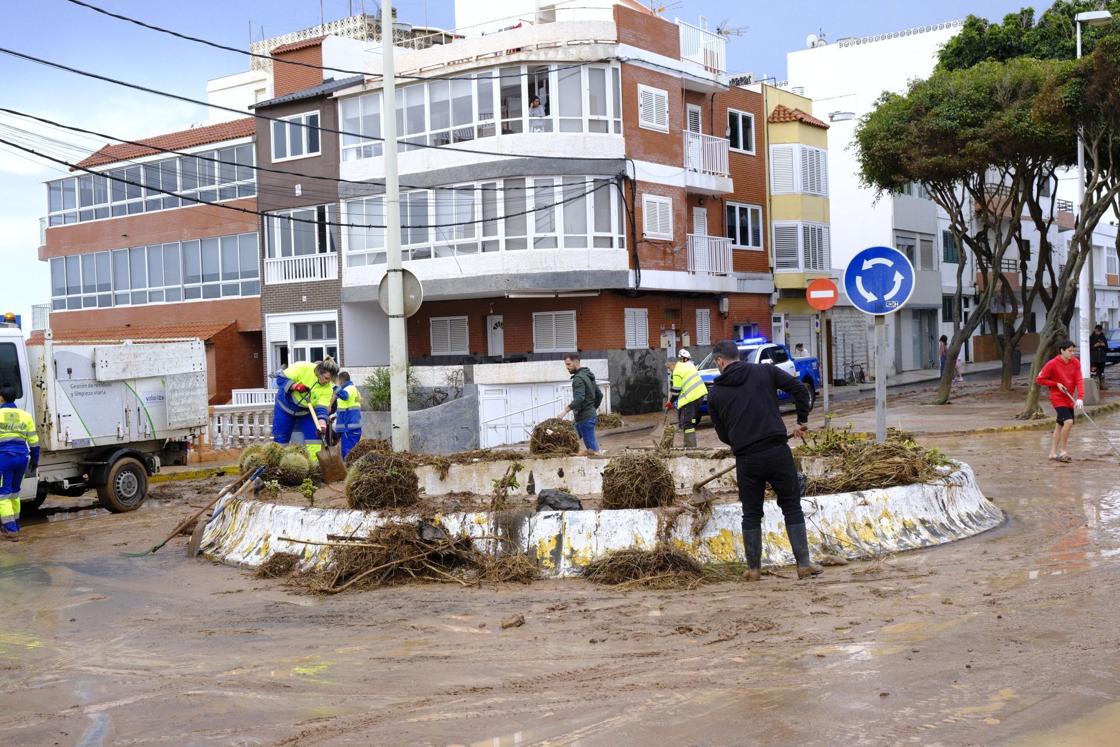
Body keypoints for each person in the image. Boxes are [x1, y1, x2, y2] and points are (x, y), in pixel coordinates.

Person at [706, 340, 822, 581]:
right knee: (791, 506)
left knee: (750, 513)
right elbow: (800, 390)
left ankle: (754, 570)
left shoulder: (715, 392)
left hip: (747, 459)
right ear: (737, 356)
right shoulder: (764, 371)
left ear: (719, 361)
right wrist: (802, 421)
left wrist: (741, 441)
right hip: (777, 451)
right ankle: (803, 564)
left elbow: (722, 433)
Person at [272, 358, 339, 461]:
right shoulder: (302, 367)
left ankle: (315, 467)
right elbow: (280, 379)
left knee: (315, 439)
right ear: (320, 371)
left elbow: (321, 409)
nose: (327, 382)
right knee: (281, 439)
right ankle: (277, 465)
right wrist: (295, 386)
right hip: (285, 407)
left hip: (306, 412)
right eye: (326, 378)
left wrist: (322, 424)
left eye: (330, 379)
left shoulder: (328, 388)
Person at [0, 386, 38, 541]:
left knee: (2, 494)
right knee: (14, 492)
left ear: (1, 398)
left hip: (4, 459)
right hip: (22, 458)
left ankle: (10, 530)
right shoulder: (25, 416)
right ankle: (15, 524)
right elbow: (34, 442)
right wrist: (35, 460)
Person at [1036, 340, 1084, 464]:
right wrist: (1055, 384)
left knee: (1060, 425)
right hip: (1057, 398)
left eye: (1073, 350)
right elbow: (1040, 379)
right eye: (1070, 351)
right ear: (1062, 350)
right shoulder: (1052, 364)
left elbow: (1079, 379)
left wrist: (1080, 397)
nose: (1072, 353)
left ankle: (1052, 453)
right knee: (1068, 422)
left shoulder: (1075, 362)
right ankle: (1063, 451)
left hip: (1069, 398)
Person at [665, 349, 708, 448]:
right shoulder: (687, 365)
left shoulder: (676, 372)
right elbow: (673, 388)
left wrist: (670, 402)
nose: (669, 370)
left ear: (672, 364)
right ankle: (688, 444)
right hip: (700, 395)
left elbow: (676, 391)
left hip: (690, 398)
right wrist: (669, 400)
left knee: (687, 423)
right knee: (691, 420)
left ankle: (691, 447)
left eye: (668, 367)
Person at [561, 353, 602, 455]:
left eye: (568, 364)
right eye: (566, 365)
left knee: (594, 451)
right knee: (569, 440)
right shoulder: (588, 375)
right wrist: (592, 410)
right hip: (583, 418)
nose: (567, 367)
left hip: (585, 419)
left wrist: (564, 411)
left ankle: (599, 467)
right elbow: (599, 395)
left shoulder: (578, 378)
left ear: (576, 362)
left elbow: (579, 398)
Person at [331, 371, 363, 460]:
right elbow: (348, 406)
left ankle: (348, 471)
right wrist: (335, 414)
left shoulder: (348, 389)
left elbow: (344, 396)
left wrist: (335, 386)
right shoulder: (355, 390)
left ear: (341, 381)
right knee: (353, 451)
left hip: (348, 427)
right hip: (354, 426)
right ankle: (352, 470)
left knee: (347, 452)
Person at [1090, 324, 1108, 390]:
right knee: (1093, 373)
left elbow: (1106, 347)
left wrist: (1103, 344)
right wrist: (1095, 345)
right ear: (1095, 330)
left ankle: (1102, 385)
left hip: (1102, 358)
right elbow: (1089, 348)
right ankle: (1094, 386)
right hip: (1094, 358)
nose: (1098, 333)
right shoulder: (1091, 338)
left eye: (1099, 331)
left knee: (1102, 373)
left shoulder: (1103, 337)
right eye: (1097, 331)